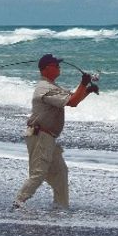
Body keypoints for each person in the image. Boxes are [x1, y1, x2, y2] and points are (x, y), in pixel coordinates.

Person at [13, 53, 98, 210]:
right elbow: (71, 101)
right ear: (46, 69)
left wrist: (87, 90)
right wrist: (83, 83)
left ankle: (61, 207)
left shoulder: (52, 87)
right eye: (56, 65)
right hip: (40, 136)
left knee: (60, 173)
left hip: (48, 138)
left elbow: (73, 100)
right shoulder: (44, 88)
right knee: (38, 173)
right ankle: (18, 203)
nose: (59, 67)